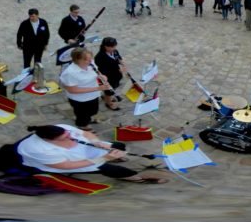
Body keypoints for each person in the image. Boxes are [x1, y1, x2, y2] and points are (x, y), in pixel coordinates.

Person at [17, 124, 166, 183]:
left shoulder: (60, 129)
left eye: (68, 134)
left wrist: (96, 142)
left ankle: (115, 159)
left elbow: (86, 134)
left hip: (86, 149)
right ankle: (135, 178)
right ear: (50, 140)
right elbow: (67, 166)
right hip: (72, 162)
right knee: (112, 170)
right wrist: (104, 158)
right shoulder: (38, 149)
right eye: (65, 137)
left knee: (118, 145)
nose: (70, 136)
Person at [60, 47, 107, 130]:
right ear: (77, 60)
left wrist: (101, 76)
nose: (90, 61)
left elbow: (96, 70)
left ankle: (87, 119)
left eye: (90, 58)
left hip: (93, 95)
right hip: (80, 99)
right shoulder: (70, 73)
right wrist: (97, 88)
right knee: (82, 115)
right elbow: (72, 90)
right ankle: (83, 125)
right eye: (86, 60)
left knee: (93, 110)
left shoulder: (90, 62)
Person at [93, 37, 125, 111]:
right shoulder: (100, 57)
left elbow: (118, 58)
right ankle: (109, 103)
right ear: (105, 46)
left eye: (114, 46)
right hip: (108, 78)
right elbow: (101, 70)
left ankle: (108, 97)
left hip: (116, 75)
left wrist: (122, 63)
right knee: (109, 91)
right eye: (112, 47)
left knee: (113, 87)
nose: (114, 48)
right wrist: (117, 70)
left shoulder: (114, 51)